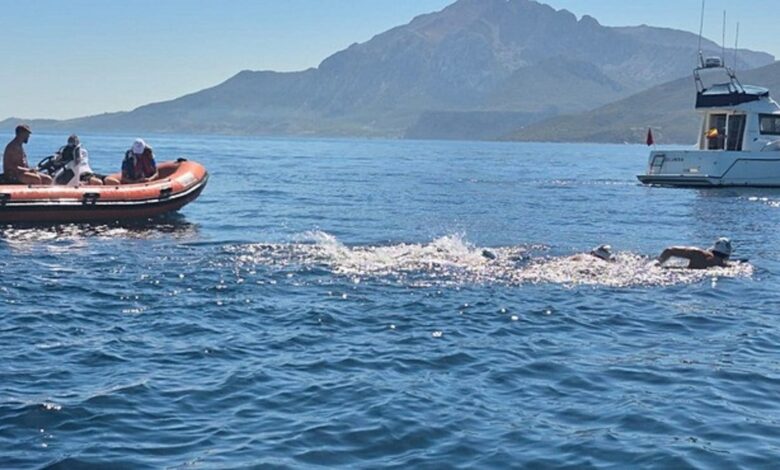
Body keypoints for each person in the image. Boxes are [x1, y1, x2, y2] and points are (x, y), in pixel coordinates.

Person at [657, 237, 732, 269]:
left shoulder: (698, 254)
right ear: (727, 255)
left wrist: (657, 264)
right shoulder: (725, 267)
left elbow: (669, 250)